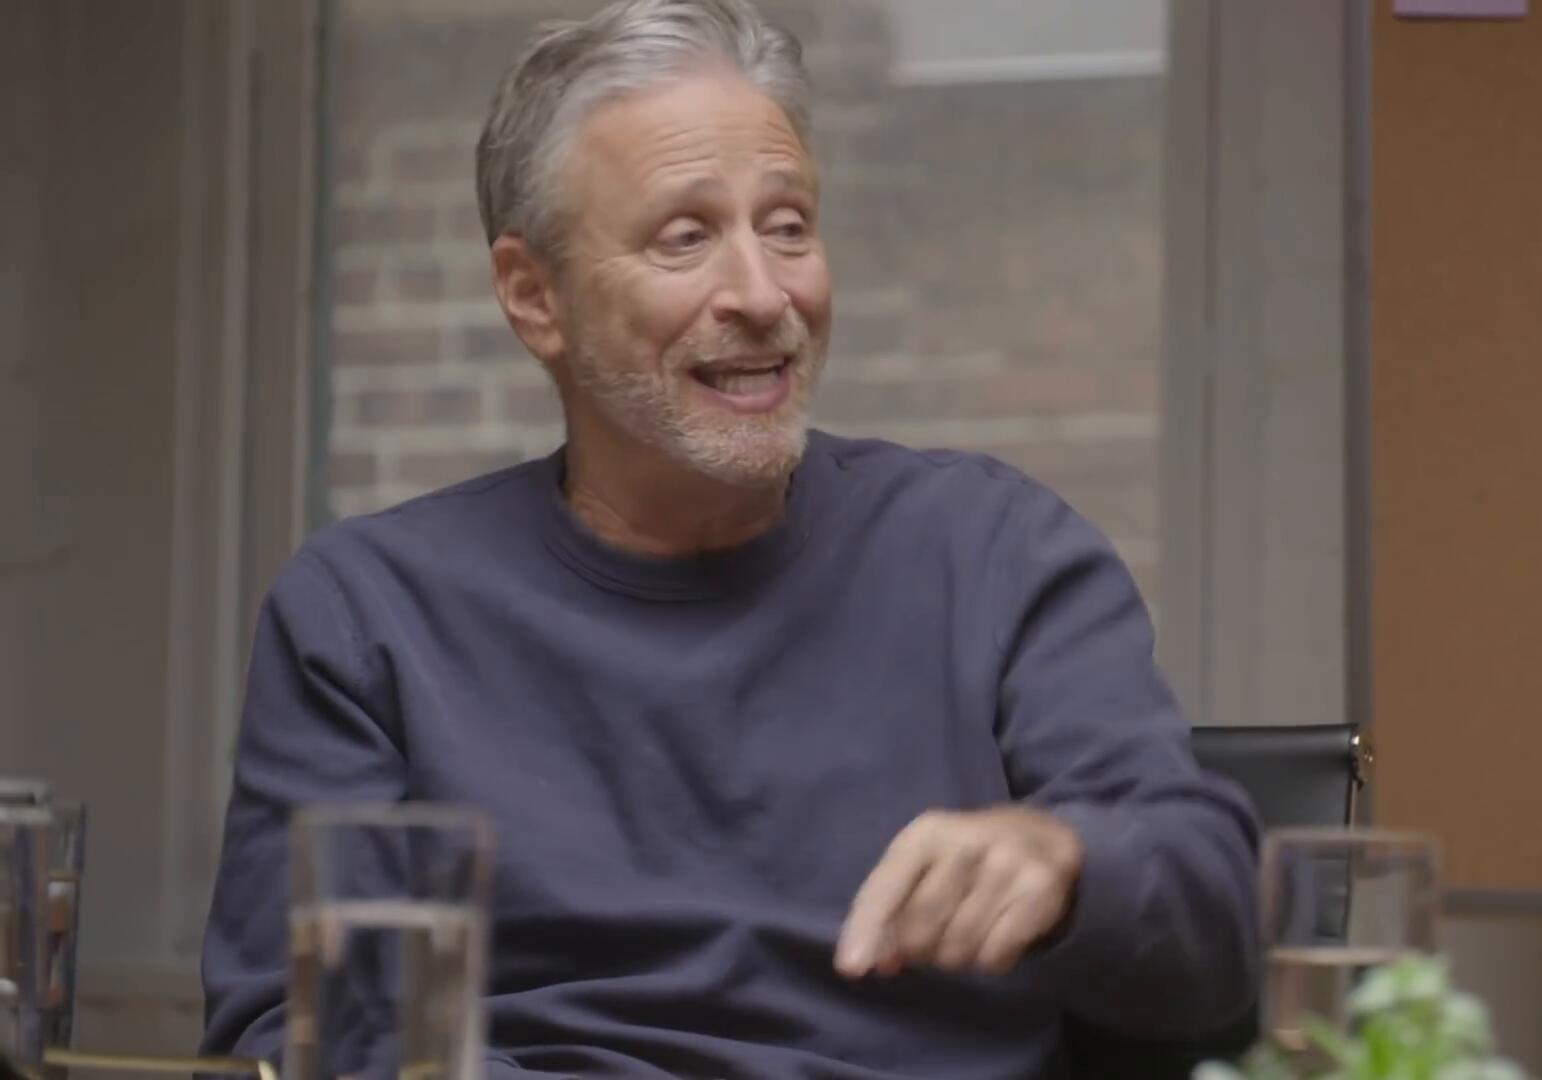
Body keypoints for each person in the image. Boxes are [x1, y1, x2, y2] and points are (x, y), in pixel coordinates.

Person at [199, 0, 1259, 1075]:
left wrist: (1071, 863)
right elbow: (295, 1029)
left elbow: (1217, 924)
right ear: (534, 296)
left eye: (788, 226)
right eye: (686, 237)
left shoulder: (997, 555)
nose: (762, 294)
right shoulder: (369, 615)